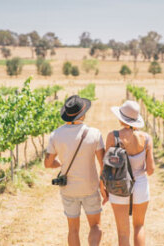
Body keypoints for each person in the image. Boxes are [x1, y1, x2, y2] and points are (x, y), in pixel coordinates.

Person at [44, 95, 108, 246]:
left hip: (68, 189)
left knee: (72, 230)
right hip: (90, 187)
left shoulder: (56, 135)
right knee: (96, 226)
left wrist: (59, 163)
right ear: (83, 114)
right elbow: (103, 164)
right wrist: (103, 186)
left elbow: (47, 163)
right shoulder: (94, 134)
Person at [105, 100, 155, 246]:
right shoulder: (146, 138)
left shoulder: (112, 136)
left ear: (121, 118)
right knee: (139, 226)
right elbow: (151, 170)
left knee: (122, 232)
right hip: (140, 186)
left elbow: (105, 167)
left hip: (118, 187)